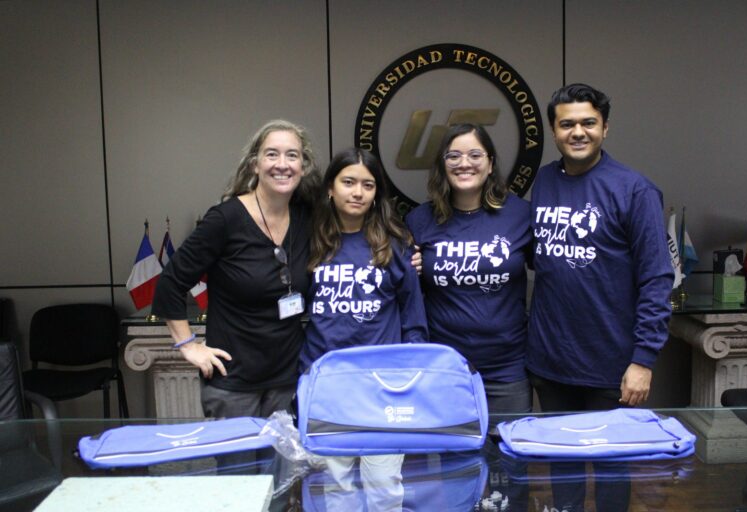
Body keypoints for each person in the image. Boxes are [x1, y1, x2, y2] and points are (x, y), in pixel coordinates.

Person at [527, 83, 674, 511]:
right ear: (553, 131)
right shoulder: (545, 181)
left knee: (612, 469)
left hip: (612, 363)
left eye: (588, 123)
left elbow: (657, 279)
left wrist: (643, 360)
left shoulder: (634, 190)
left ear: (605, 128)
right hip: (551, 361)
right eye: (567, 123)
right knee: (563, 464)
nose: (578, 132)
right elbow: (544, 256)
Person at [152, 119, 320, 420]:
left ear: (303, 167)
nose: (282, 164)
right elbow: (171, 282)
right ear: (255, 164)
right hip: (233, 385)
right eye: (272, 154)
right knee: (240, 469)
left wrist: (407, 253)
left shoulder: (307, 218)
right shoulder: (225, 220)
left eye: (292, 155)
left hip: (288, 381)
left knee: (287, 468)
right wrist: (188, 345)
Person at [300, 147, 428, 512]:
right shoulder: (310, 241)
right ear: (330, 188)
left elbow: (413, 317)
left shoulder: (395, 243)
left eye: (368, 185)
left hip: (383, 389)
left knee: (384, 484)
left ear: (377, 194)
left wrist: (409, 379)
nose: (357, 192)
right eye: (348, 182)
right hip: (326, 385)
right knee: (336, 485)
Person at [405, 123, 533, 421]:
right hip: (445, 366)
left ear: (490, 164)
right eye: (453, 156)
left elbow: (554, 274)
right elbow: (407, 291)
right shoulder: (420, 220)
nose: (464, 163)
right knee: (453, 462)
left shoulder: (520, 214)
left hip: (508, 368)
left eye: (475, 154)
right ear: (442, 165)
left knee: (509, 459)